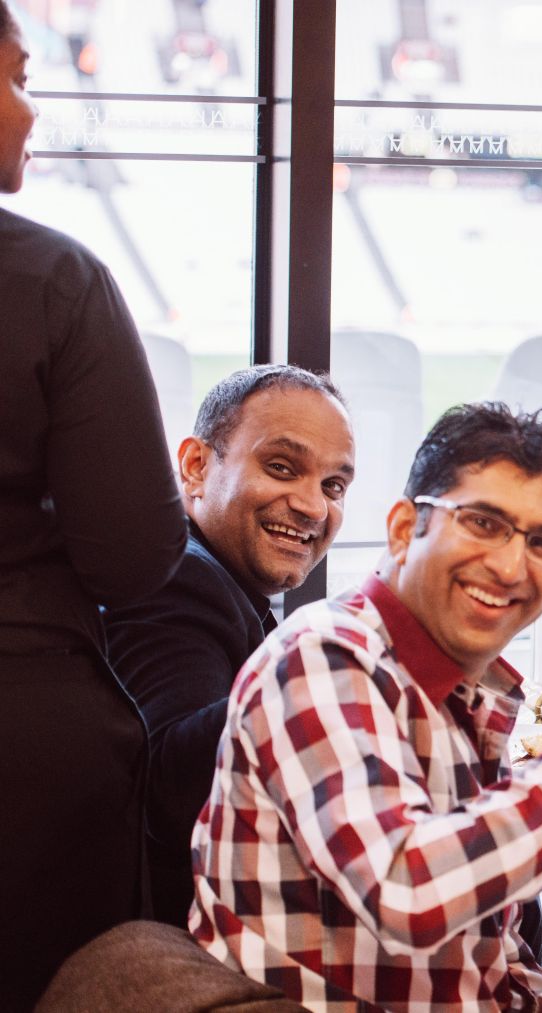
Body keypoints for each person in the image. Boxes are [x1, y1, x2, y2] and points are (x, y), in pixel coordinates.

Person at [190, 403, 542, 1009]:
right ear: (403, 529)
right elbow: (409, 894)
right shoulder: (322, 658)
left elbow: (490, 957)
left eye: (541, 541)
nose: (510, 565)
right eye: (482, 522)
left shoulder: (465, 689)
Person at [0, 5, 191, 1008]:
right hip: (26, 754)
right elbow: (134, 552)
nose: (32, 111)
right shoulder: (53, 280)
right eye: (20, 76)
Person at [105, 365, 356, 927]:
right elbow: (177, 784)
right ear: (196, 466)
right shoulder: (181, 583)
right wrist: (332, 658)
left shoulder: (212, 578)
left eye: (333, 486)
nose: (314, 507)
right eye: (282, 468)